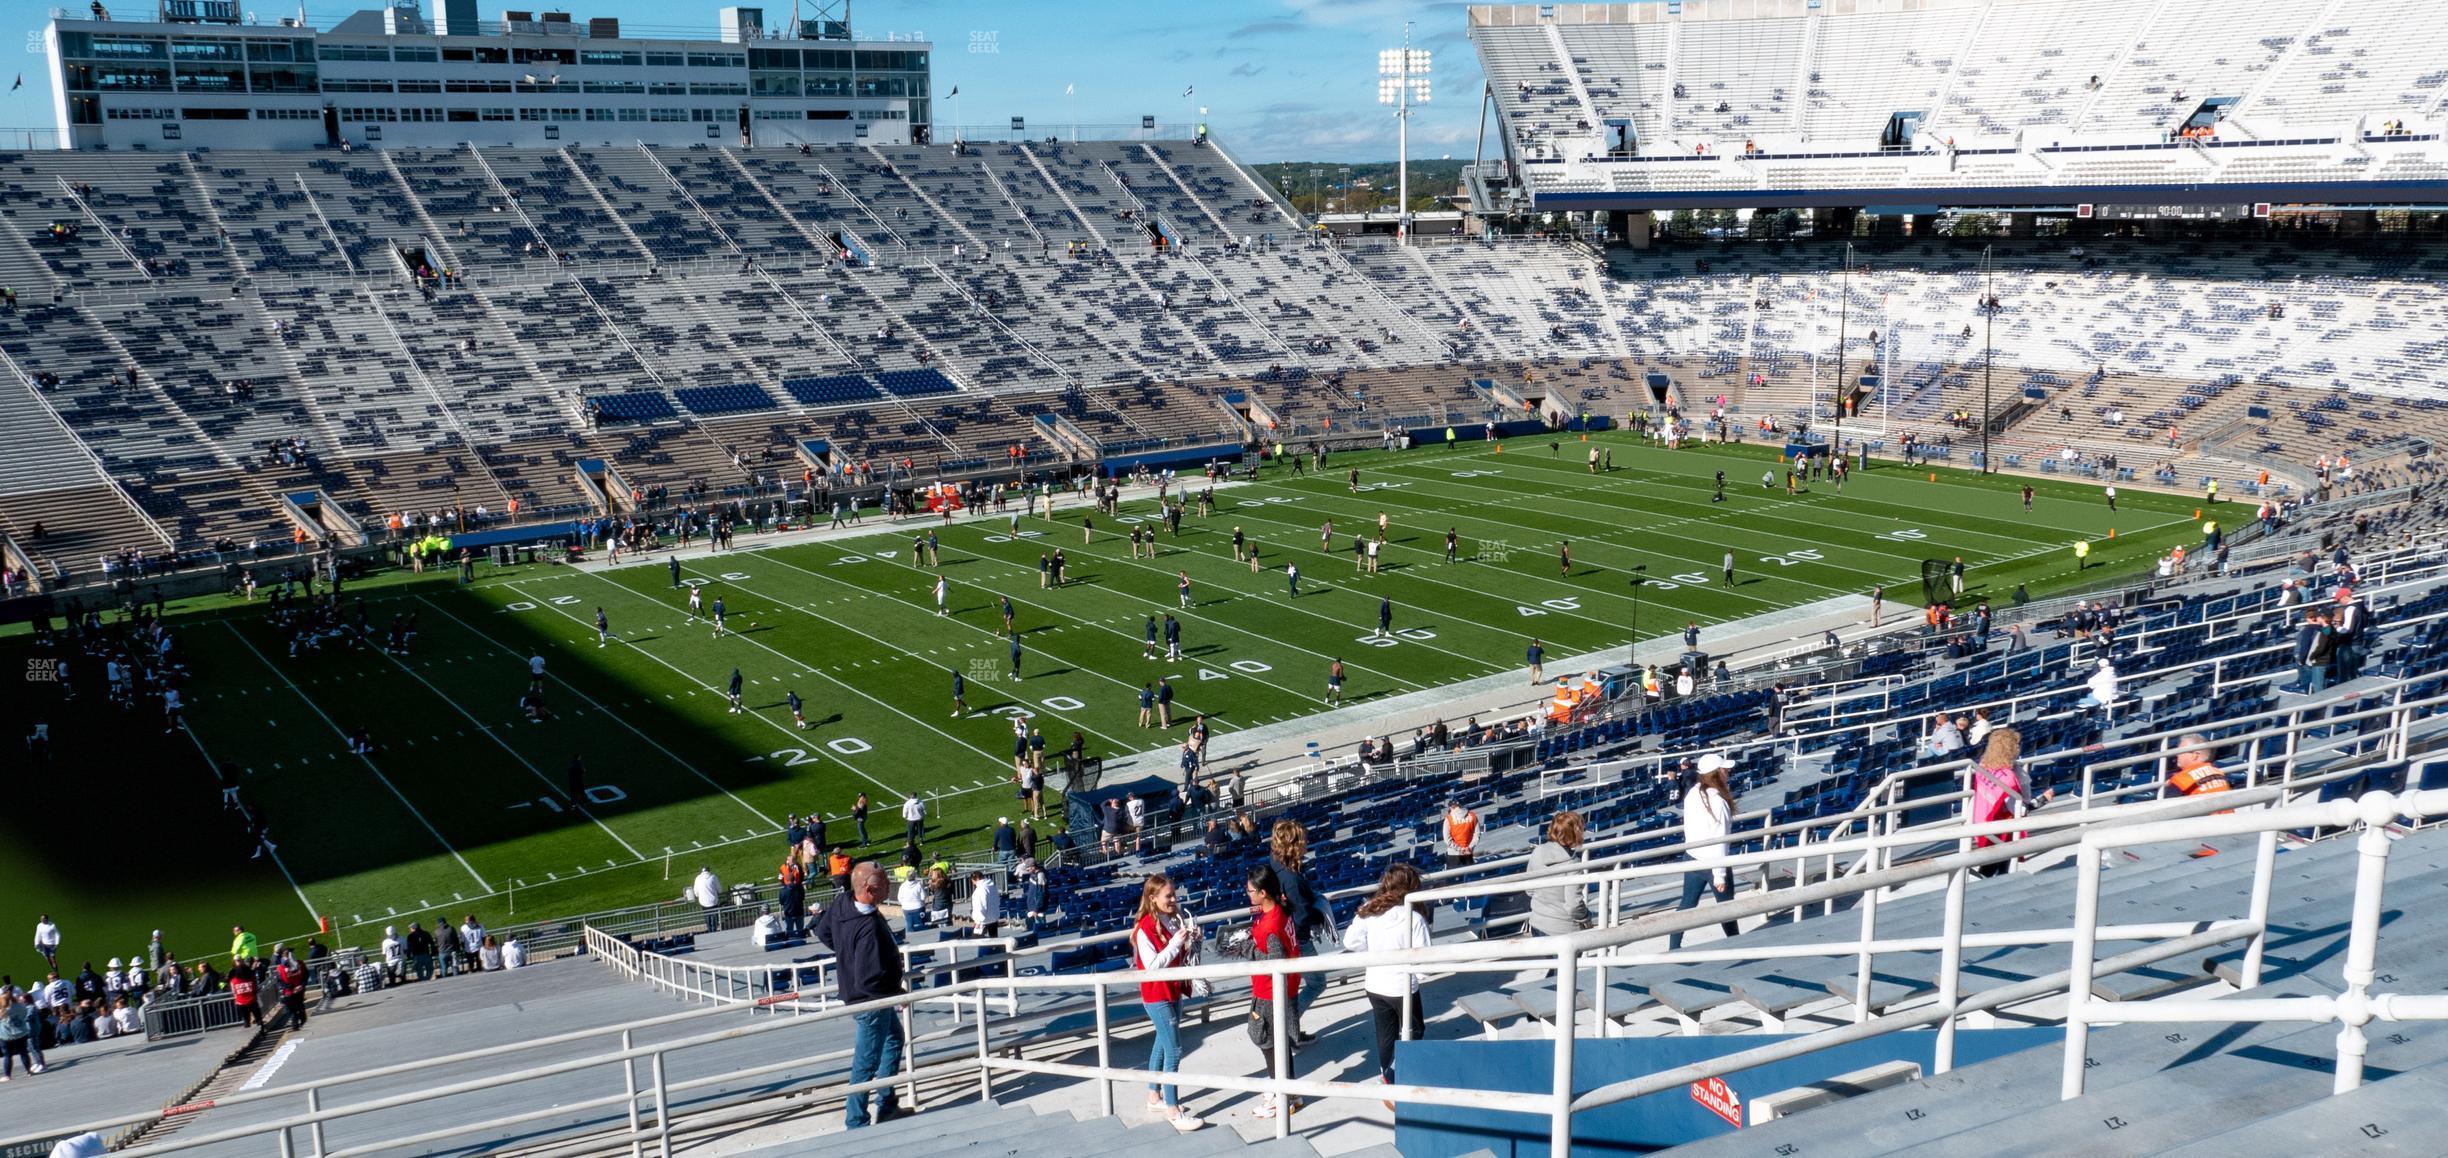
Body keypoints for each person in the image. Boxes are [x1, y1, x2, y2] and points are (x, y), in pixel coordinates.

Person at [814, 862, 909, 1129]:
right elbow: (869, 979)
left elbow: (823, 932)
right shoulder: (868, 928)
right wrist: (896, 992)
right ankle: (856, 1121)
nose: (889, 885)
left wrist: (847, 953)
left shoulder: (843, 902)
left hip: (864, 995)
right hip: (870, 1001)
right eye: (884, 884)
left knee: (894, 1040)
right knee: (865, 1064)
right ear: (868, 889)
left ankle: (887, 1103)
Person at [1342, 862, 1431, 1099]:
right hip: (1402, 986)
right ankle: (1404, 1074)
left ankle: (1387, 1076)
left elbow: (1349, 943)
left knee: (1385, 1033)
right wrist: (1416, 975)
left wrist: (1370, 951)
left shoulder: (1369, 910)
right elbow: (1424, 965)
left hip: (1375, 984)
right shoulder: (1414, 917)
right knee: (1414, 1030)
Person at [1130, 874, 1207, 1132]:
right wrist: (1176, 943)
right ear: (1153, 898)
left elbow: (1177, 954)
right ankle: (1173, 1110)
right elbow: (1152, 966)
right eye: (1168, 896)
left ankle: (1154, 1096)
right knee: (1174, 1050)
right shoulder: (1144, 928)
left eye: (1174, 895)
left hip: (1172, 990)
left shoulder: (1172, 919)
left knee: (1162, 1045)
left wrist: (1192, 941)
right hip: (1156, 994)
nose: (1174, 900)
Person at [1242, 863, 1303, 1120]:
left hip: (1270, 991)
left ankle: (1282, 1096)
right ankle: (1290, 1091)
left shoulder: (1272, 924)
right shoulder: (1280, 911)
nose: (1248, 895)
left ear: (1263, 893)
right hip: (1284, 987)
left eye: (1251, 891)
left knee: (1267, 1041)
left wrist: (1248, 950)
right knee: (1278, 1043)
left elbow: (1273, 962)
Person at [1669, 755, 1741, 951]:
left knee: (1687, 905)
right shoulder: (1717, 801)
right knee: (1726, 909)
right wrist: (1719, 875)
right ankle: (1736, 945)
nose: (1728, 773)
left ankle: (1673, 948)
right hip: (1713, 862)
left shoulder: (1693, 793)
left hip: (1693, 857)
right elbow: (1720, 840)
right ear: (1716, 774)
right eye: (1724, 770)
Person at [1267, 820, 1329, 1036]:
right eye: (1303, 839)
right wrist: (1319, 913)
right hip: (1297, 939)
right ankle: (1287, 1026)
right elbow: (1301, 916)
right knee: (1317, 983)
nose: (1307, 842)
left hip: (1284, 937)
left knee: (1291, 989)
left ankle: (1290, 1030)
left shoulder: (1273, 865)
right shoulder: (1291, 878)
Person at [1970, 728, 2052, 876]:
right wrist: (2043, 799)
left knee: (1994, 864)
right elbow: (2019, 809)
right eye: (2017, 744)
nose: (2019, 747)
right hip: (2001, 827)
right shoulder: (2009, 776)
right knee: (1994, 866)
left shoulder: (1982, 766)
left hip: (1982, 821)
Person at [1527, 811, 1591, 937]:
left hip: (1537, 924)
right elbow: (1573, 905)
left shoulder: (1538, 851)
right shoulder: (1573, 864)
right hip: (1563, 930)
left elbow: (1529, 890)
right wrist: (1586, 917)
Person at [2169, 734, 2231, 799]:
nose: (2177, 755)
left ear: (2194, 755)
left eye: (2180, 751)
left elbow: (2167, 805)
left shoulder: (2182, 779)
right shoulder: (2218, 772)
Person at [1441, 799, 1479, 870]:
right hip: (1468, 852)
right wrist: (1470, 847)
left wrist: (1459, 849)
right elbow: (1477, 835)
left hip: (1454, 854)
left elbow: (1447, 839)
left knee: (1454, 879)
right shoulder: (1472, 816)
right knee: (1470, 876)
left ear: (1451, 807)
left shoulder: (1449, 818)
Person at [692, 864, 724, 932]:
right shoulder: (713, 877)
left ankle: (710, 930)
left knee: (707, 916)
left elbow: (696, 892)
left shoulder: (698, 878)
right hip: (713, 902)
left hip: (703, 902)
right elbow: (720, 890)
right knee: (715, 916)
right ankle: (714, 929)